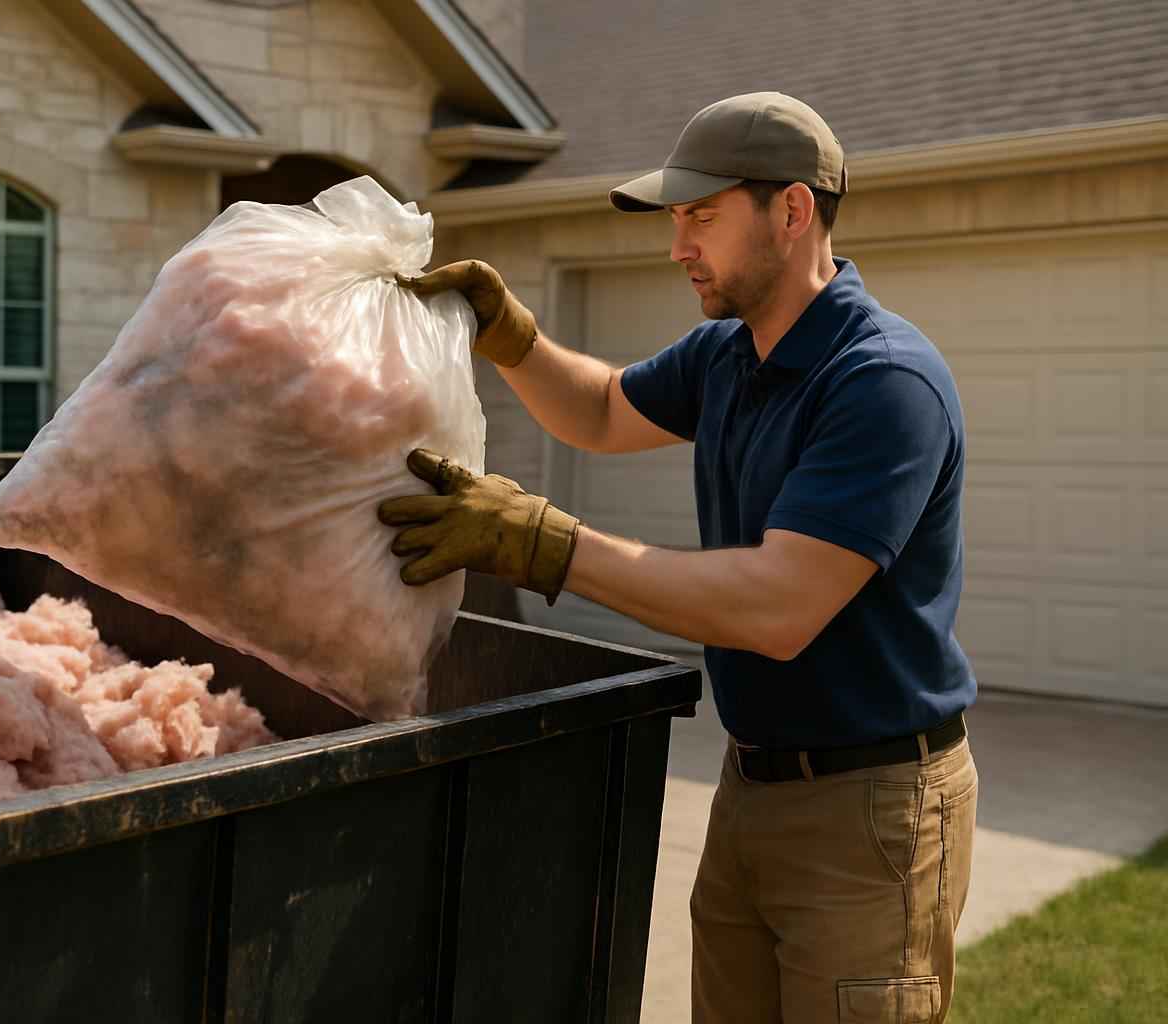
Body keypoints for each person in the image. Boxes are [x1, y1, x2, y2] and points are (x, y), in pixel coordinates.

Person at [379, 92, 978, 1023]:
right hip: (751, 788)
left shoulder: (882, 383)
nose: (677, 245)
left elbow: (778, 607)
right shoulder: (728, 356)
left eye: (702, 215)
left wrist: (545, 544)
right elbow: (600, 410)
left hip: (872, 811)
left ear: (792, 210)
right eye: (674, 218)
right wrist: (512, 337)